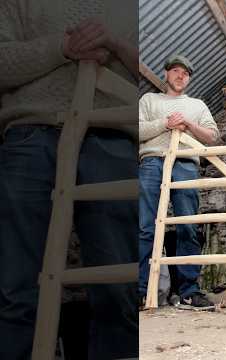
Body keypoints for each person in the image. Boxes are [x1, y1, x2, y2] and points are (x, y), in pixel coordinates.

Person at [0, 1, 138, 358]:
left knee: (119, 287)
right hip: (30, 134)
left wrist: (118, 46)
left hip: (110, 134)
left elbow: (153, 80)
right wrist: (61, 48)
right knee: (14, 288)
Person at [139, 55, 219, 308]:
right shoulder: (149, 100)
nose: (180, 76)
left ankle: (189, 292)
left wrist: (188, 124)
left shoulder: (197, 105)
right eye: (175, 70)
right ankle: (140, 290)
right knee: (146, 228)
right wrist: (165, 123)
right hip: (153, 162)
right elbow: (136, 129)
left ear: (189, 79)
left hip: (185, 164)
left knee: (187, 227)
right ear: (166, 74)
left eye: (185, 73)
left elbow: (212, 136)